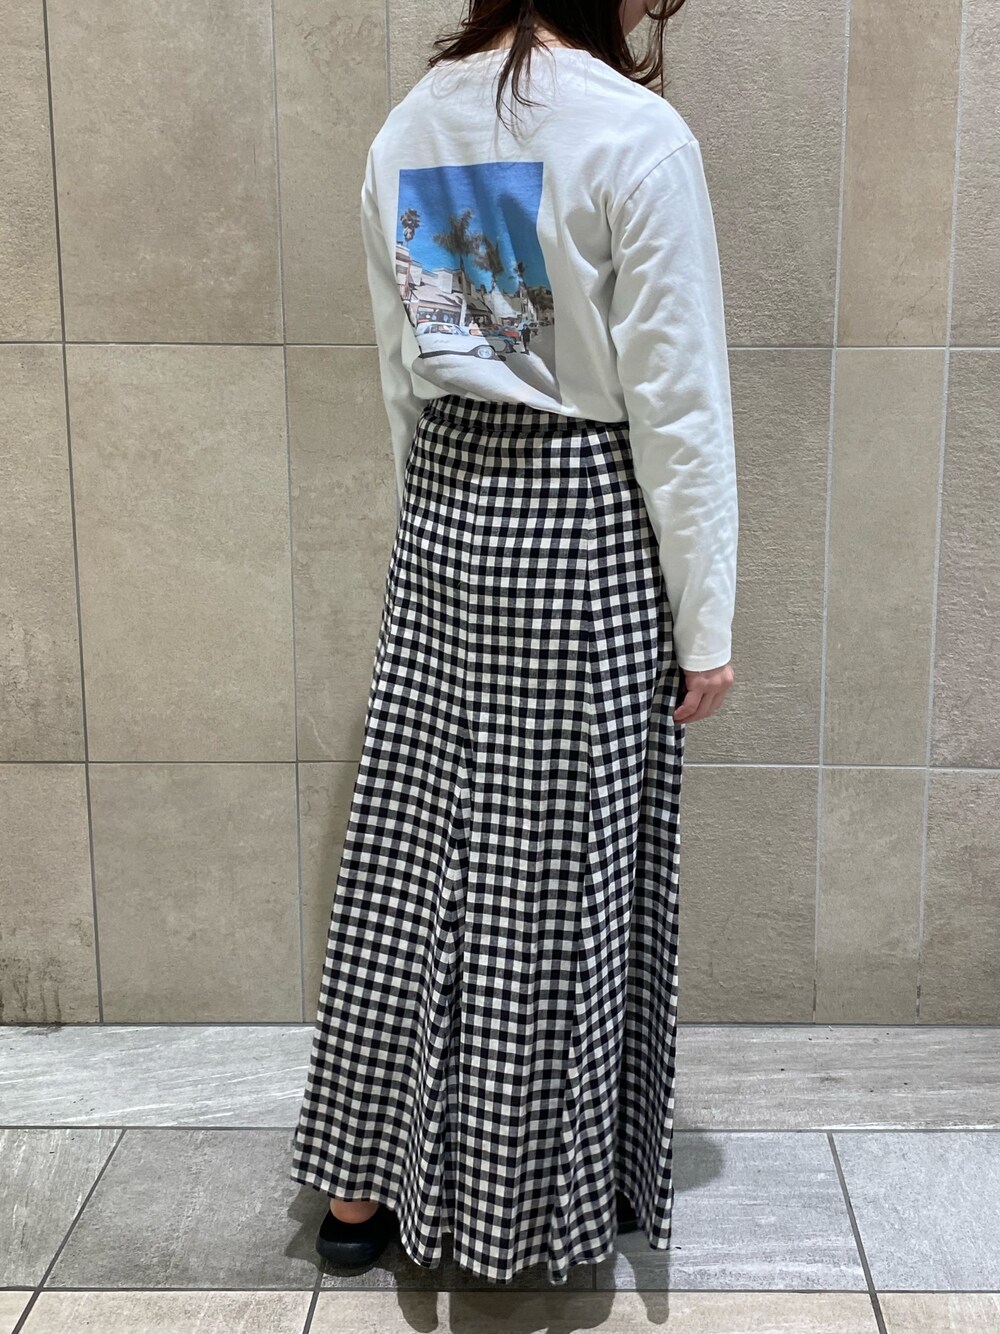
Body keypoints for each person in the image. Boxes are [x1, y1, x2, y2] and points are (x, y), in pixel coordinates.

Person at [290, 0, 739, 1288]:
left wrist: (429, 534)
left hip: (446, 510)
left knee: (409, 857)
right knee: (552, 873)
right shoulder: (635, 135)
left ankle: (359, 1193)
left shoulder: (410, 127)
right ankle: (520, 1206)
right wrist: (704, 622)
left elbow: (402, 365)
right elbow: (678, 406)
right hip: (581, 520)